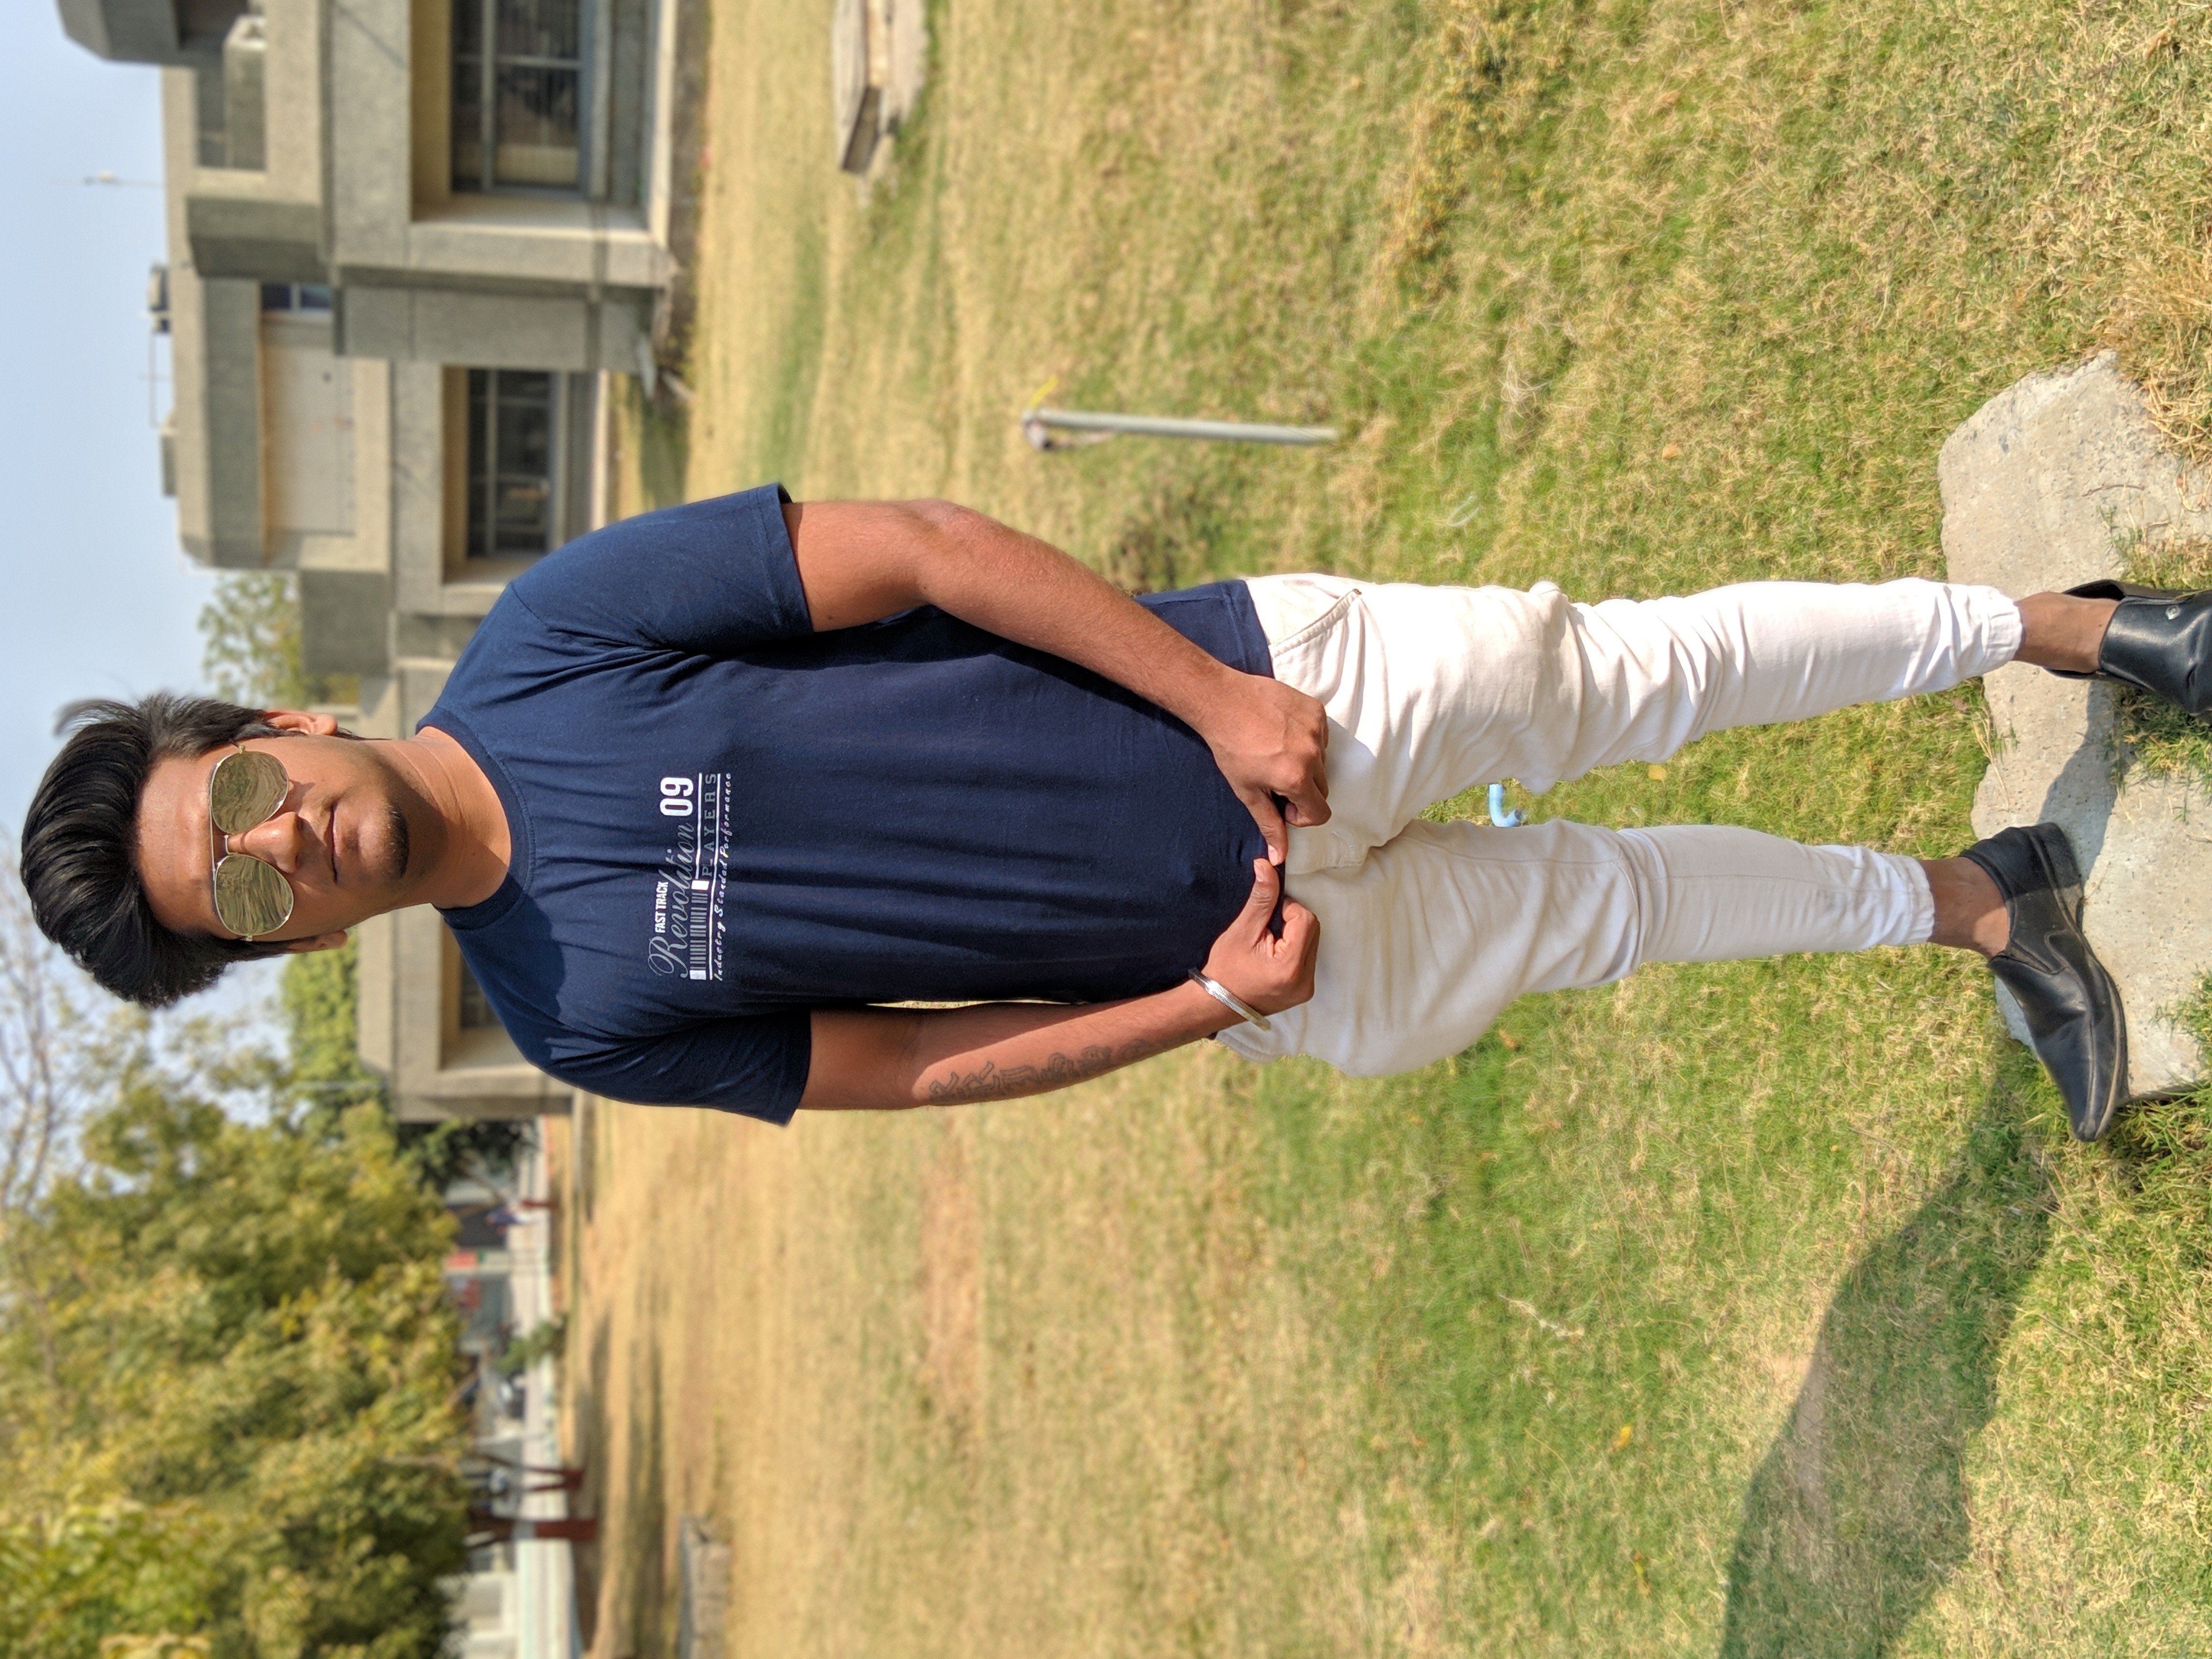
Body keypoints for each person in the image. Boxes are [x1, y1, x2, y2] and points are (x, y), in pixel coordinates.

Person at [21, 490, 2208, 1144]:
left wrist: (1223, 697)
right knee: (1610, 912)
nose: (279, 850)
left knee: (1631, 678)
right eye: (239, 900)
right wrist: (1206, 1006)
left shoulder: (558, 637)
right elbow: (897, 1067)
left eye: (242, 802)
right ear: (283, 950)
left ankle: (2060, 628)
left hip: (1271, 692)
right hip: (1259, 964)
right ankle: (1980, 909)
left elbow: (915, 551)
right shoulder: (571, 1013)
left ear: (281, 723)